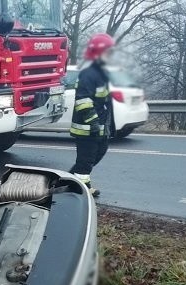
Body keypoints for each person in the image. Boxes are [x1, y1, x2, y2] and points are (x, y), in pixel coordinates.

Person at [69, 33, 116, 197]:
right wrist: (94, 123)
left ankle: (69, 180)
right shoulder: (88, 74)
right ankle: (80, 188)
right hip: (87, 129)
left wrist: (108, 126)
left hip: (99, 127)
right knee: (86, 161)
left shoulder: (102, 73)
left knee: (99, 152)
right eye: (108, 52)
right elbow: (83, 100)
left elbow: (104, 102)